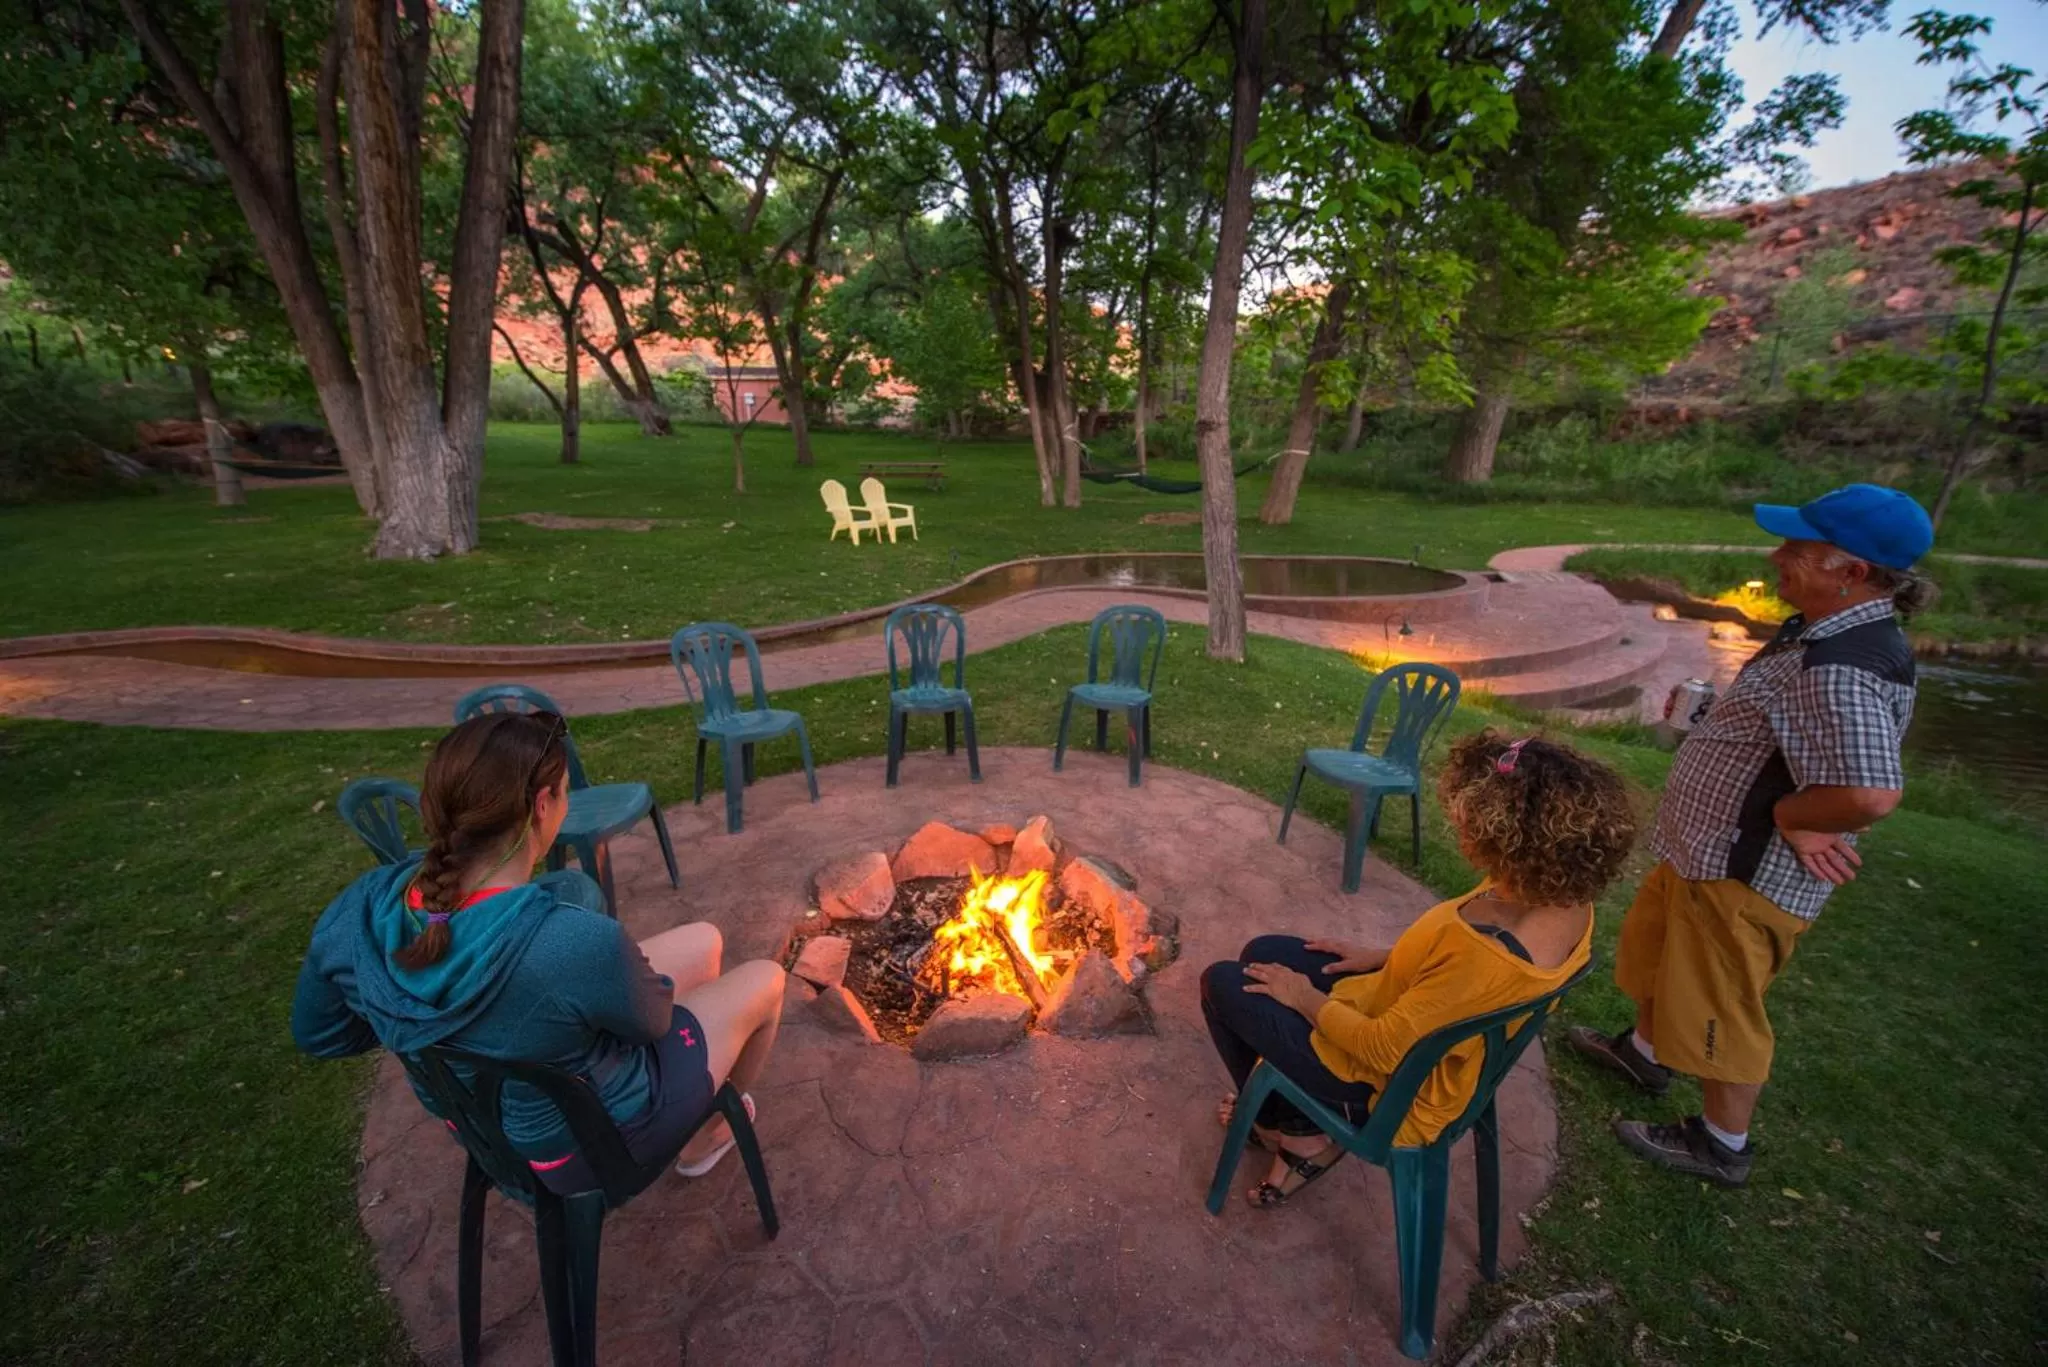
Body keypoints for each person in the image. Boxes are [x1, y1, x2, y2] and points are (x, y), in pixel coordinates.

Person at [1569, 483, 1935, 1188]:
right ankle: (1646, 1053)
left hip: (1742, 871)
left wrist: (1795, 819)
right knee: (1658, 954)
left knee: (1720, 1004)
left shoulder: (1843, 664)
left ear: (1850, 570)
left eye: (1797, 549)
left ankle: (1720, 1144)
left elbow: (1870, 790)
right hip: (1702, 852)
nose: (1777, 556)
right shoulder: (1819, 629)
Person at [292, 711, 786, 1193]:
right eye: (566, 790)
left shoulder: (360, 910)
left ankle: (689, 1097)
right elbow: (651, 1024)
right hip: (583, 1144)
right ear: (543, 804)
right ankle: (703, 1137)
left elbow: (321, 1036)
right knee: (767, 978)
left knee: (705, 939)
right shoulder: (571, 942)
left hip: (481, 1126)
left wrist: (434, 1033)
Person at [1202, 731, 1636, 1206]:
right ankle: (1288, 1117)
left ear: (1512, 839)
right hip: (1418, 1021)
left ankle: (1289, 1131)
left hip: (1388, 1085)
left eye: (1468, 823)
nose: (1460, 831)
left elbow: (1383, 1048)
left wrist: (1303, 996)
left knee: (1223, 985)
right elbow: (1452, 972)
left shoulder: (1490, 958)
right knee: (1263, 951)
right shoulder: (1558, 895)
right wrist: (1384, 957)